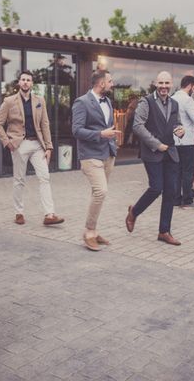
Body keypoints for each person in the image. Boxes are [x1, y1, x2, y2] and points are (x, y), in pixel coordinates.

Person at [0, 70, 64, 226]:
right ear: (19, 83)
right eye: (23, 79)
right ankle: (19, 212)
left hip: (37, 145)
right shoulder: (9, 101)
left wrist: (49, 146)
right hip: (19, 145)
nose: (25, 82)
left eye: (28, 80)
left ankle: (49, 214)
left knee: (44, 177)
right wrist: (7, 142)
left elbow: (45, 124)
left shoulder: (40, 100)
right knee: (19, 180)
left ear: (32, 83)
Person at [125, 71, 185, 246]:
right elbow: (137, 126)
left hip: (171, 152)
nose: (164, 86)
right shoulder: (146, 102)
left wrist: (181, 130)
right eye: (161, 83)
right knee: (156, 188)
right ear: (155, 84)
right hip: (153, 152)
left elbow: (177, 124)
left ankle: (164, 232)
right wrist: (156, 144)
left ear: (171, 84)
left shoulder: (174, 103)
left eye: (167, 83)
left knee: (171, 192)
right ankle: (134, 212)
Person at [72, 70, 118, 251]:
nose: (112, 84)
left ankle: (94, 230)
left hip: (107, 154)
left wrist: (112, 142)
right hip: (90, 156)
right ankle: (89, 232)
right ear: (101, 83)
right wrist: (100, 134)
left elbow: (108, 125)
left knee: (97, 194)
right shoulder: (81, 102)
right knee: (101, 192)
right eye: (110, 81)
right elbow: (76, 130)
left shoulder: (107, 101)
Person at [172, 75, 194, 209]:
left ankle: (176, 199)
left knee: (177, 171)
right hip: (187, 141)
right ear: (191, 86)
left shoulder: (172, 98)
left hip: (175, 139)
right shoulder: (187, 99)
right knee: (187, 172)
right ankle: (187, 200)